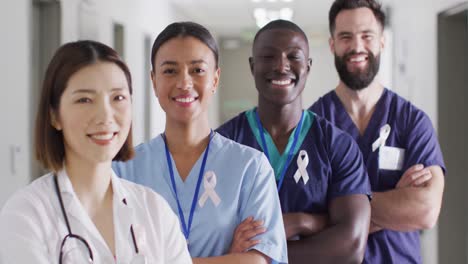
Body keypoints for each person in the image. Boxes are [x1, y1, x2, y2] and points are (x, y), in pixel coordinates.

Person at [0, 40, 191, 264]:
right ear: (54, 115)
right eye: (84, 100)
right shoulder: (27, 214)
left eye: (118, 97)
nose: (105, 115)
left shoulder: (154, 210)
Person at [113, 22, 287, 264]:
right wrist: (228, 257)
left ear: (215, 79)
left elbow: (259, 261)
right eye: (170, 71)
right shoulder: (123, 169)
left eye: (197, 70)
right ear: (154, 80)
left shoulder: (251, 167)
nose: (184, 83)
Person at [217, 19, 371, 263]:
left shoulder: (338, 146)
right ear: (252, 65)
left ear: (308, 66)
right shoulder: (223, 143)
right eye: (268, 56)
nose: (281, 66)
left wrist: (259, 257)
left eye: (293, 56)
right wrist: (312, 223)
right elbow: (211, 236)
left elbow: (350, 246)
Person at [309, 0, 446, 263]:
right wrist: (397, 199)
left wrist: (340, 210)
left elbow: (426, 210)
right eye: (346, 37)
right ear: (332, 45)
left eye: (367, 36)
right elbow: (302, 220)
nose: (357, 47)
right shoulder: (313, 126)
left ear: (382, 41)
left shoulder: (412, 121)